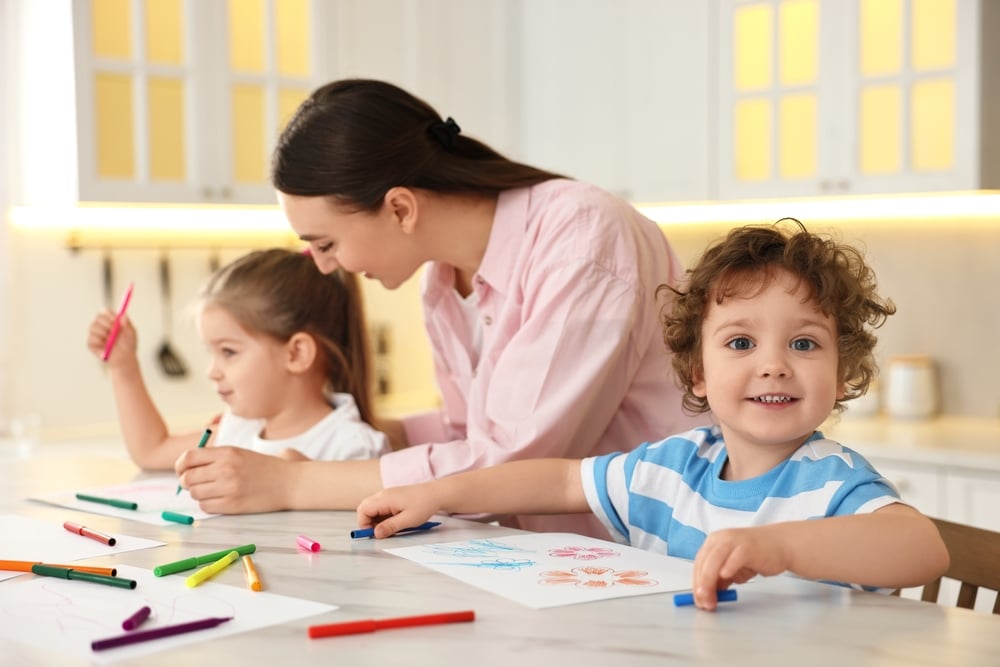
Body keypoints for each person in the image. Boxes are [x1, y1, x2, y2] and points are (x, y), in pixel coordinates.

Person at [174, 77, 705, 529]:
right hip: (555, 557)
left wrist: (295, 482)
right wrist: (362, 430)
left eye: (326, 243)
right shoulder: (441, 284)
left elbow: (511, 462)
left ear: (400, 208)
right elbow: (468, 435)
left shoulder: (583, 238)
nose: (321, 265)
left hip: (652, 551)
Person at [355, 219, 950, 610]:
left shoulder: (832, 482)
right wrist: (437, 493)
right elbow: (560, 479)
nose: (774, 365)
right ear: (698, 373)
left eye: (804, 344)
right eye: (741, 344)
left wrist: (783, 549)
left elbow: (921, 548)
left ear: (843, 372)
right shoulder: (671, 468)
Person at [86, 248, 389, 472]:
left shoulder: (355, 449)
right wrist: (123, 367)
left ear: (296, 354)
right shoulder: (238, 430)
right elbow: (151, 452)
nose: (212, 372)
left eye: (228, 352)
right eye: (211, 352)